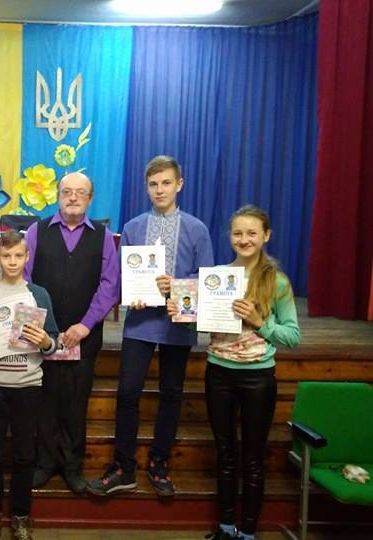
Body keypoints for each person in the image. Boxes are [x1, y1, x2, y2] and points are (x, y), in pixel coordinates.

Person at [88, 155, 214, 497]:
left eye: (166, 183)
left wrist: (178, 286)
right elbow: (122, 276)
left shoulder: (197, 229)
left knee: (171, 393)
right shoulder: (133, 227)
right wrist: (133, 294)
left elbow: (207, 279)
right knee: (127, 392)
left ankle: (159, 462)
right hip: (140, 323)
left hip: (178, 324)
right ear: (146, 187)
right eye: (153, 184)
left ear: (179, 184)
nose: (160, 190)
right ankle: (123, 466)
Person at [176, 205, 300, 540]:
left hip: (258, 378)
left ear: (266, 236)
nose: (244, 239)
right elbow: (203, 325)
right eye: (237, 233)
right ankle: (225, 526)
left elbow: (292, 336)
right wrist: (183, 313)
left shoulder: (277, 282)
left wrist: (260, 322)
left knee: (253, 458)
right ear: (230, 236)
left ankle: (248, 531)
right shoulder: (216, 277)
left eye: (251, 233)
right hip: (219, 373)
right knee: (226, 454)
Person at [24, 172, 119, 494]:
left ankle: (72, 466)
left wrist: (85, 325)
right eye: (67, 192)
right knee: (45, 401)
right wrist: (44, 327)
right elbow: (25, 279)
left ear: (90, 199)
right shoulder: (37, 232)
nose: (73, 197)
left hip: (84, 335)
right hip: (43, 336)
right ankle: (44, 463)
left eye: (80, 192)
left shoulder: (103, 236)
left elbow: (109, 285)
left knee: (76, 404)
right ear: (58, 195)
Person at [0, 230, 59, 540]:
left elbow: (53, 341)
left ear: (27, 257)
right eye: (6, 256)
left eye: (18, 255)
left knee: (24, 455)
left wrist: (45, 341)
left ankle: (20, 517)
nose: (12, 261)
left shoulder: (39, 295)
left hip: (27, 384)